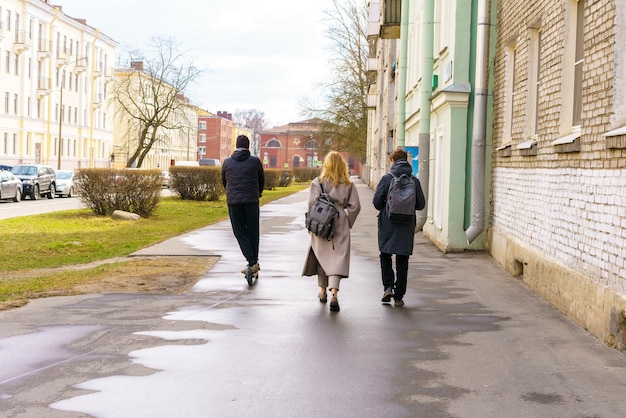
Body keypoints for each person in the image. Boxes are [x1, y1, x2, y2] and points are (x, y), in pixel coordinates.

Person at [302, 151, 361, 312]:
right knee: (338, 258)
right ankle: (334, 292)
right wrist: (347, 221)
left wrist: (313, 223)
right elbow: (355, 207)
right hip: (340, 221)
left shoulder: (317, 182)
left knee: (322, 256)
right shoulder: (348, 184)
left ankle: (322, 291)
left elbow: (311, 203)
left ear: (326, 165)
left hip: (321, 222)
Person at [372, 148, 425, 306]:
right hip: (407, 225)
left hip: (388, 223)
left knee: (385, 255)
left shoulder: (387, 178)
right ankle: (399, 295)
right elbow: (421, 204)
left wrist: (387, 207)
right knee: (403, 259)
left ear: (393, 161)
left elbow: (376, 203)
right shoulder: (414, 180)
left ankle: (388, 287)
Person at [221, 135, 265, 284]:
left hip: (234, 203)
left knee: (239, 232)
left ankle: (252, 262)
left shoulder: (227, 162)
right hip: (252, 202)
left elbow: (224, 182)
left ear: (236, 145)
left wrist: (232, 193)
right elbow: (261, 180)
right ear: (248, 146)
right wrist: (257, 193)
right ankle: (254, 263)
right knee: (253, 232)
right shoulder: (255, 161)